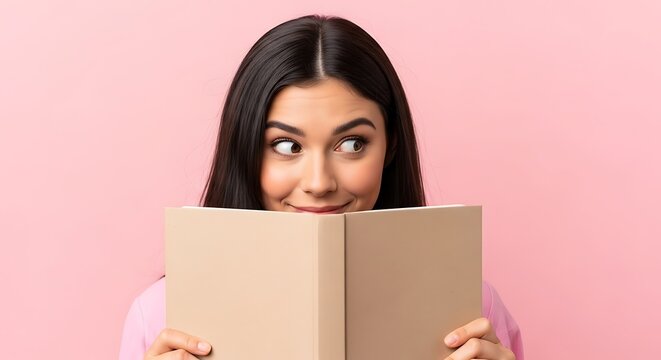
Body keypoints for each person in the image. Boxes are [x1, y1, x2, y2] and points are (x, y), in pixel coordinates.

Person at [119, 14, 524, 360]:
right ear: (246, 150)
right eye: (286, 146)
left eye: (352, 144)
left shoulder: (474, 310)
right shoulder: (161, 316)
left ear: (391, 146)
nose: (318, 183)